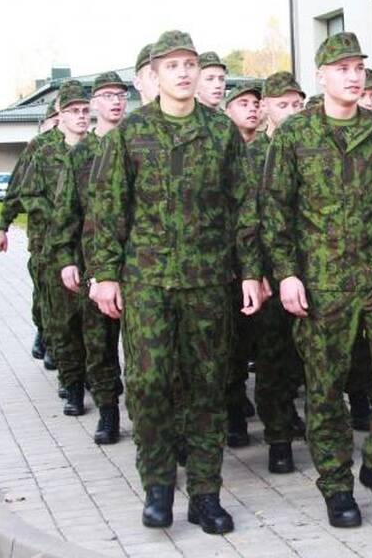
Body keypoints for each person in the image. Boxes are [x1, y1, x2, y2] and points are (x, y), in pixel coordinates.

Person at [87, 30, 262, 535]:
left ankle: (205, 494)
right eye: (172, 66)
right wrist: (105, 274)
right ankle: (158, 485)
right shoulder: (130, 134)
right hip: (148, 285)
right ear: (155, 75)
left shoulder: (220, 131)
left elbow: (244, 206)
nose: (183, 72)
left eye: (190, 63)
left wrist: (251, 269)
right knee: (148, 386)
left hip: (208, 282)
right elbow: (107, 208)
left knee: (208, 387)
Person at [261, 32, 372, 528]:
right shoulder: (295, 136)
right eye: (343, 69)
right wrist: (286, 274)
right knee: (326, 386)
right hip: (320, 279)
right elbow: (275, 211)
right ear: (322, 76)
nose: (354, 77)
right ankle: (336, 485)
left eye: (359, 69)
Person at [52, 72, 129, 443]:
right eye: (106, 95)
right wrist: (67, 258)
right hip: (94, 262)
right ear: (94, 104)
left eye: (120, 95)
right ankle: (109, 411)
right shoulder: (81, 154)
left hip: (140, 263)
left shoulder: (138, 143)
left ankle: (163, 422)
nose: (115, 101)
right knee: (99, 342)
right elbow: (66, 211)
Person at [247, 71, 306, 473]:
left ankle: (310, 424)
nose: (291, 111)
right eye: (282, 104)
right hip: (269, 271)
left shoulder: (313, 146)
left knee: (308, 359)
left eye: (297, 104)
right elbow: (246, 218)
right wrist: (254, 270)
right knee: (272, 358)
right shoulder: (250, 156)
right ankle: (278, 437)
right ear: (265, 107)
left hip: (312, 268)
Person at [20, 81, 91, 414]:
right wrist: (59, 214)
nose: (80, 116)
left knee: (94, 328)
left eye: (84, 110)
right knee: (62, 325)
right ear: (59, 115)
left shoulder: (98, 150)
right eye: (73, 111)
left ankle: (95, 383)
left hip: (91, 253)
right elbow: (28, 193)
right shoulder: (44, 150)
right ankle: (72, 384)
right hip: (54, 251)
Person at [0, 102, 61, 363]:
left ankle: (61, 348)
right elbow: (16, 188)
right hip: (43, 238)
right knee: (44, 293)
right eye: (53, 121)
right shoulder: (38, 147)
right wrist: (3, 226)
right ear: (45, 124)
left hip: (75, 239)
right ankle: (46, 333)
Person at [222, 81, 263, 447]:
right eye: (243, 103)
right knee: (231, 345)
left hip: (263, 262)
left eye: (255, 103)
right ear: (228, 110)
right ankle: (234, 409)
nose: (252, 108)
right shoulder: (220, 146)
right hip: (224, 265)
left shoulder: (271, 148)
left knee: (266, 343)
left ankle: (274, 413)